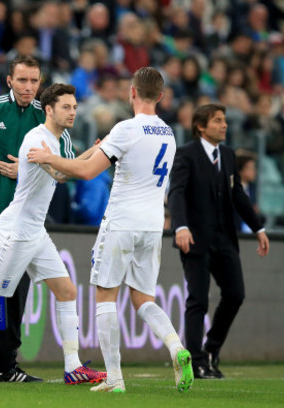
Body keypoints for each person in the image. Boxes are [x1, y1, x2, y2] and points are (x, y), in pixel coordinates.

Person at [28, 67, 194, 393]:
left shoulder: (126, 129)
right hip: (151, 226)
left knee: (105, 296)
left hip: (121, 223)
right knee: (143, 298)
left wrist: (50, 157)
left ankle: (115, 379)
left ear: (132, 93)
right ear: (160, 96)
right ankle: (176, 347)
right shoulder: (169, 133)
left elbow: (88, 171)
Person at [0, 83, 106, 385]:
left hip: (35, 231)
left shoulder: (55, 142)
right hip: (16, 232)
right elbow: (62, 174)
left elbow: (63, 168)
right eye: (66, 107)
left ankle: (73, 367)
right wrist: (97, 152)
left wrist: (95, 150)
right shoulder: (36, 139)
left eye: (74, 107)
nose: (72, 112)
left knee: (67, 292)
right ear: (49, 110)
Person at [168, 103, 270, 379]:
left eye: (224, 120)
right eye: (217, 120)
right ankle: (196, 361)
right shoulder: (186, 154)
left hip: (224, 237)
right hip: (195, 238)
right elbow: (175, 192)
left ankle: (211, 349)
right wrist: (180, 227)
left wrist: (258, 228)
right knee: (198, 300)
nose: (224, 125)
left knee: (236, 294)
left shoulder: (227, 155)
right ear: (201, 126)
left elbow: (237, 195)